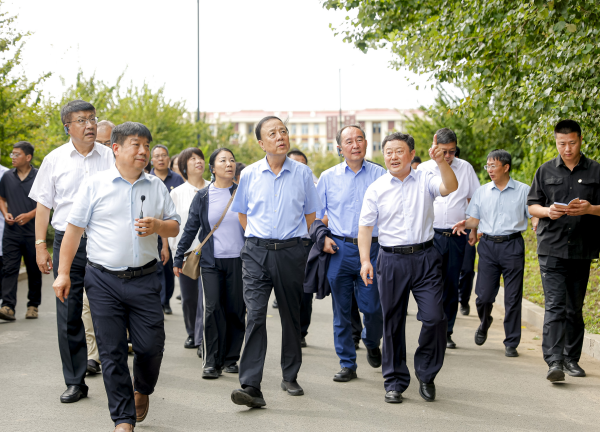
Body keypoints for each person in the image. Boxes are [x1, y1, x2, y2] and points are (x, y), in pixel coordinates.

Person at [52, 122, 180, 432]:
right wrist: (63, 273)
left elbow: (174, 225)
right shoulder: (94, 184)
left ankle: (142, 388)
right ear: (117, 148)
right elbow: (73, 231)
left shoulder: (156, 186)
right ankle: (123, 419)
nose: (143, 151)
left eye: (146, 145)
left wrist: (158, 227)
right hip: (103, 281)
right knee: (112, 352)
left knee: (150, 347)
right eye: (136, 144)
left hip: (145, 279)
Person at [358, 132, 458, 404]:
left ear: (411, 154)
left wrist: (441, 162)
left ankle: (426, 373)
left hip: (425, 258)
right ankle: (394, 381)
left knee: (435, 317)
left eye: (399, 151)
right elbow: (365, 227)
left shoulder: (426, 178)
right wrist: (365, 260)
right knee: (392, 322)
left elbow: (450, 186)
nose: (393, 156)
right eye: (388, 152)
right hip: (391, 260)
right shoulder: (376, 188)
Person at [229, 116, 321, 408]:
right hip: (256, 252)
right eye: (272, 133)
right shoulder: (250, 174)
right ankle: (250, 385)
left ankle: (290, 375)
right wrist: (260, 240)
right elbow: (242, 214)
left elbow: (310, 215)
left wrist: (295, 242)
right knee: (255, 315)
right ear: (261, 143)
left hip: (292, 252)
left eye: (283, 131)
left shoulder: (303, 173)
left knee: (291, 316)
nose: (280, 136)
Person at [29, 100, 114, 403]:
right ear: (68, 127)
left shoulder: (110, 157)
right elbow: (43, 205)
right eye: (82, 120)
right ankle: (75, 381)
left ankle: (116, 376)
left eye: (93, 118)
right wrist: (40, 245)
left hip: (105, 240)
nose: (90, 125)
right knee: (68, 312)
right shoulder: (54, 160)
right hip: (68, 243)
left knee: (110, 309)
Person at [527, 119, 600, 382]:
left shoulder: (596, 171)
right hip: (552, 248)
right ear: (556, 142)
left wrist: (590, 209)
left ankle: (571, 359)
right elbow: (532, 206)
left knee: (574, 309)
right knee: (555, 306)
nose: (567, 149)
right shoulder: (545, 170)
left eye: (571, 143)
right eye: (561, 144)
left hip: (582, 249)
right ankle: (554, 361)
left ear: (580, 140)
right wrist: (548, 211)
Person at [316, 125, 386, 383]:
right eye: (349, 141)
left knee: (373, 307)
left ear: (366, 143)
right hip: (340, 250)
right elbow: (316, 216)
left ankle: (371, 340)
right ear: (339, 148)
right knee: (342, 310)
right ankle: (347, 363)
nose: (355, 145)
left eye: (359, 139)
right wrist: (322, 237)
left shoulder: (381, 175)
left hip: (374, 249)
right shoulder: (327, 177)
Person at [174, 147, 246, 378]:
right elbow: (191, 228)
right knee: (212, 309)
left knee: (236, 310)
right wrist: (179, 255)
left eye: (232, 160)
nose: (229, 164)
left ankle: (231, 358)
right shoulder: (203, 196)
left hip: (239, 261)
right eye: (223, 161)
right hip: (211, 262)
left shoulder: (243, 193)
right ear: (213, 168)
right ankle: (211, 361)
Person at [452, 149, 531, 358]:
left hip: (513, 246)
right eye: (488, 166)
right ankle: (485, 320)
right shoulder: (482, 192)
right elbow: (474, 219)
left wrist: (540, 224)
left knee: (513, 297)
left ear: (506, 167)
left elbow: (534, 215)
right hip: (487, 246)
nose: (489, 170)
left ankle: (511, 342)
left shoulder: (524, 191)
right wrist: (466, 224)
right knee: (483, 297)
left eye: (493, 166)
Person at [417, 128, 480, 349]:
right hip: (430, 236)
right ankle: (430, 326)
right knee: (430, 284)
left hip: (456, 235)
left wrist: (473, 229)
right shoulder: (423, 169)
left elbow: (474, 199)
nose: (448, 156)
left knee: (452, 284)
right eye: (443, 151)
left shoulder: (465, 168)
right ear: (435, 148)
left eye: (452, 151)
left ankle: (447, 331)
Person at [168, 147, 207, 352]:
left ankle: (202, 337)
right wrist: (174, 251)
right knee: (189, 298)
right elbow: (172, 224)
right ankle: (192, 332)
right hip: (186, 254)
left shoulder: (213, 188)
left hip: (209, 253)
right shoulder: (177, 193)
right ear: (184, 166)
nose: (198, 161)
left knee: (206, 298)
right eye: (192, 159)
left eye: (200, 158)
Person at [85, 120, 115, 375]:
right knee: (87, 303)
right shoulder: (90, 169)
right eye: (101, 143)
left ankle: (114, 349)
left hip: (121, 255)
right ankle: (93, 355)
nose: (104, 148)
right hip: (90, 248)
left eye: (109, 143)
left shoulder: (134, 169)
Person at [0, 142, 41, 321]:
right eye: (12, 154)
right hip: (11, 232)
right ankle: (7, 306)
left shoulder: (39, 177)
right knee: (9, 268)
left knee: (33, 269)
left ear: (28, 157)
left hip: (34, 232)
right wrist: (5, 213)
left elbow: (47, 202)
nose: (13, 157)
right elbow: (1, 198)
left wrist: (30, 215)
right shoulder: (7, 176)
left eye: (17, 154)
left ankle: (33, 305)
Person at [286, 149, 319, 347]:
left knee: (306, 293)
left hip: (306, 246)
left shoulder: (313, 187)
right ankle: (291, 331)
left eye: (302, 164)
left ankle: (301, 332)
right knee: (288, 293)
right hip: (285, 247)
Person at [149, 144, 185, 315]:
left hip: (171, 232)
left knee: (168, 268)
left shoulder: (177, 179)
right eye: (157, 156)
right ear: (152, 160)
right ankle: (158, 301)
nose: (161, 159)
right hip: (151, 232)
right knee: (155, 268)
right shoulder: (147, 179)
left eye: (163, 155)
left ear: (169, 158)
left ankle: (166, 300)